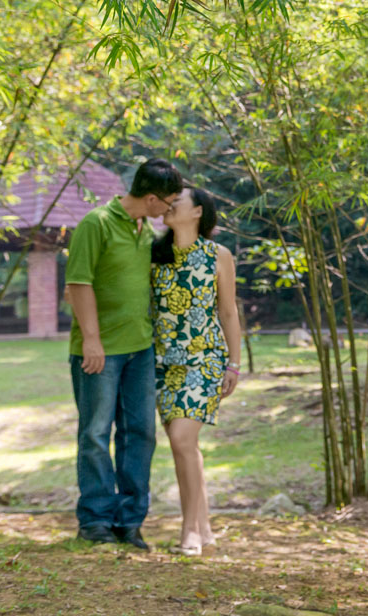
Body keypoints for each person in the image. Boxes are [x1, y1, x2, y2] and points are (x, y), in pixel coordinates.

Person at [66, 158, 183, 550]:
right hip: (100, 352)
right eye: (167, 204)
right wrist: (92, 340)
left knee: (140, 434)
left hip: (141, 350)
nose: (168, 211)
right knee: (96, 434)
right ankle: (95, 520)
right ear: (151, 199)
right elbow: (78, 284)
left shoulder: (145, 231)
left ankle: (129, 521)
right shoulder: (96, 223)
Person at [150, 186, 241, 556]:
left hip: (204, 361)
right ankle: (204, 527)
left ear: (198, 211)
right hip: (162, 365)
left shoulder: (218, 255)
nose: (169, 206)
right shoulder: (154, 254)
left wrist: (233, 363)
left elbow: (229, 312)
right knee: (184, 449)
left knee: (183, 441)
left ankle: (189, 531)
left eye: (177, 202)